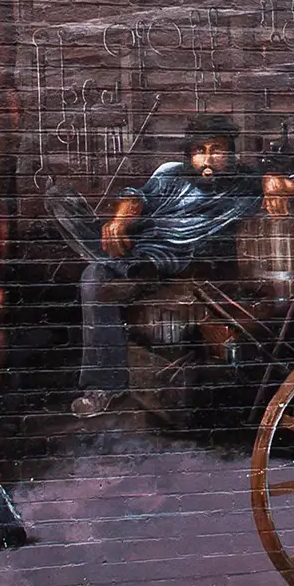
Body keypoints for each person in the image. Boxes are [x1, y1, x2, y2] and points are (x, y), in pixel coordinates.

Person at [70, 115, 265, 417]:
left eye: (217, 150)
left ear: (231, 152)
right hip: (142, 250)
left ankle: (107, 256)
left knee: (103, 270)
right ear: (189, 154)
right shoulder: (171, 173)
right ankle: (104, 387)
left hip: (184, 263)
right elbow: (136, 197)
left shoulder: (244, 185)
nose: (207, 159)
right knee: (94, 275)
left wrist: (278, 182)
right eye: (199, 150)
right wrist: (120, 219)